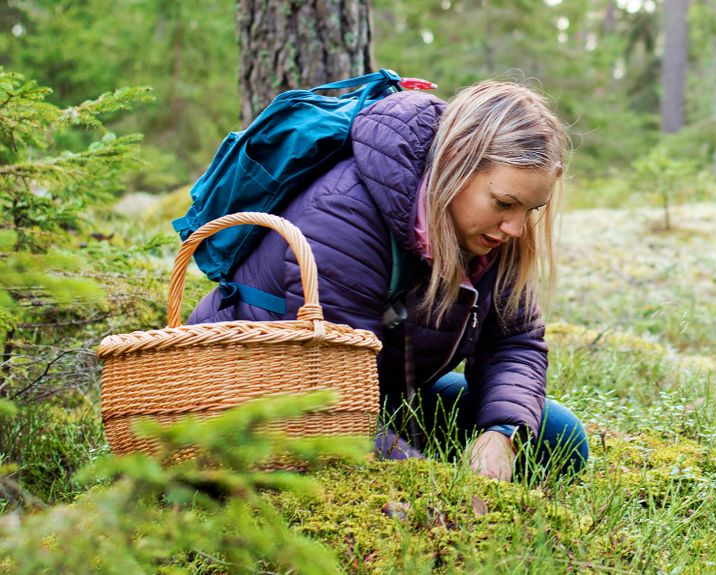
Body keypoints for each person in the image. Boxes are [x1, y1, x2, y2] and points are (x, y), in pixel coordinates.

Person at [188, 80, 588, 481]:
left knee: (559, 440)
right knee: (356, 481)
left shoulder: (492, 233)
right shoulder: (343, 216)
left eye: (530, 209)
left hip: (376, 392)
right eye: (504, 203)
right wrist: (428, 482)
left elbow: (513, 341)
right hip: (269, 394)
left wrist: (501, 435)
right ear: (455, 164)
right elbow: (334, 399)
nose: (516, 227)